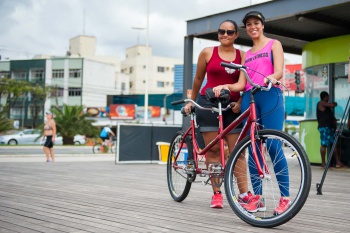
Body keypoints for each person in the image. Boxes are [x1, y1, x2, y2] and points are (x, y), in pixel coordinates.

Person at [213, 11, 290, 215]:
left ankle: (285, 198)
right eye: (248, 24)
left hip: (269, 93)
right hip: (249, 98)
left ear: (262, 25)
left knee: (273, 145)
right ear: (246, 28)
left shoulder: (274, 44)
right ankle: (257, 198)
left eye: (256, 23)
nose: (252, 26)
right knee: (253, 146)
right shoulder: (246, 54)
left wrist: (269, 78)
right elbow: (241, 83)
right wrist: (225, 86)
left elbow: (280, 70)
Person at [184, 19, 246, 209]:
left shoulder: (243, 55)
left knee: (238, 152)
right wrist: (191, 101)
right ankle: (217, 194)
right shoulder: (207, 53)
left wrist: (241, 102)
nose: (225, 35)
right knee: (213, 151)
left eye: (229, 32)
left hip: (232, 107)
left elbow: (246, 83)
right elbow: (198, 79)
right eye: (221, 32)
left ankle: (245, 195)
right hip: (208, 104)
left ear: (236, 35)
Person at [316, 91, 344, 168]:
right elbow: (332, 105)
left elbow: (329, 114)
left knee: (334, 144)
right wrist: (334, 103)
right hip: (324, 128)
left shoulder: (326, 108)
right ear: (325, 97)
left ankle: (338, 162)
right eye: (327, 97)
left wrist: (333, 120)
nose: (328, 99)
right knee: (324, 144)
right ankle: (323, 163)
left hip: (330, 127)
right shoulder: (321, 103)